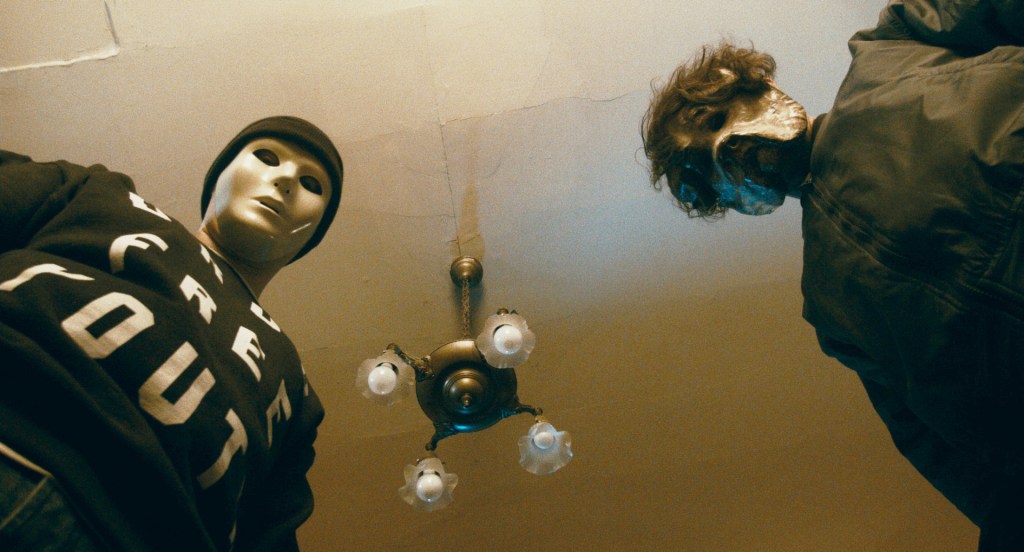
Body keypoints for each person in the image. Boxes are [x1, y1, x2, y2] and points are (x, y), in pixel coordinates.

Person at [642, 0, 1023, 549]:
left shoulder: (893, 46)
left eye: (712, 122)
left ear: (754, 84)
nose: (729, 152)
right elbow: (954, 462)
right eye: (706, 172)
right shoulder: (831, 311)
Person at [0, 115, 344, 551]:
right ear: (219, 177)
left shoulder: (294, 386)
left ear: (314, 231)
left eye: (312, 184)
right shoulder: (102, 196)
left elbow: (270, 533)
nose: (286, 180)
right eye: (267, 157)